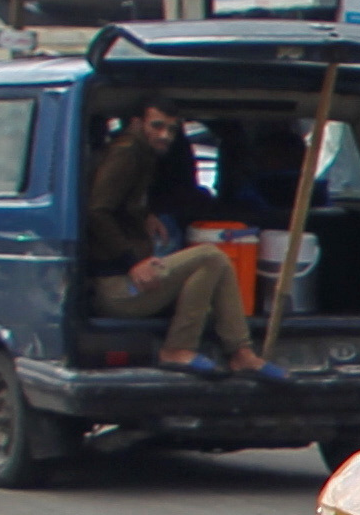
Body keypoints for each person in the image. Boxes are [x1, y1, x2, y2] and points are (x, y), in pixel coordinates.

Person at [82, 100, 272, 376]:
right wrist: (131, 263)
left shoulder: (141, 153)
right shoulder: (126, 152)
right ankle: (184, 348)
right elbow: (97, 211)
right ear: (136, 123)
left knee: (211, 268)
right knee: (210, 256)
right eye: (157, 126)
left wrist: (143, 214)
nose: (165, 136)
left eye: (172, 130)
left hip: (125, 281)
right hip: (117, 288)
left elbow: (119, 200)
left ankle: (240, 352)